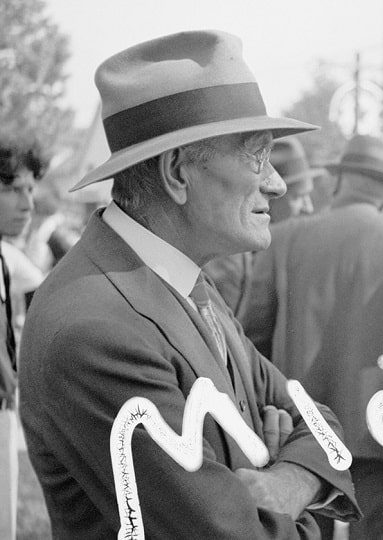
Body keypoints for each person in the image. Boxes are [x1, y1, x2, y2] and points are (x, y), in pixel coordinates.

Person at [18, 30, 360, 539]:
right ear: (178, 172)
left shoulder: (183, 284)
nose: (277, 183)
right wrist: (295, 498)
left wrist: (288, 484)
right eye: (257, 155)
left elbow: (318, 421)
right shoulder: (97, 331)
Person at [240, 134, 383, 540]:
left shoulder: (284, 238)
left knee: (305, 533)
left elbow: (251, 338)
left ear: (339, 181)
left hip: (302, 430)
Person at [203, 134, 319, 314]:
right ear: (271, 197)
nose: (309, 208)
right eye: (298, 197)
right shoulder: (230, 257)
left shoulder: (281, 252)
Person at [0, 141, 44, 538]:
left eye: (30, 190)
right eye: (12, 189)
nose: (27, 204)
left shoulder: (7, 257)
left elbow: (43, 290)